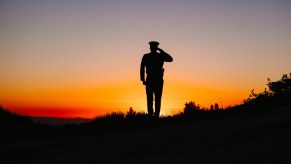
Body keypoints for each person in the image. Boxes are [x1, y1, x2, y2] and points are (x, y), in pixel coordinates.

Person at [140, 41, 173, 118]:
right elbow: (142, 68)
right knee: (150, 98)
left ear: (156, 47)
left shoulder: (160, 56)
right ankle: (151, 115)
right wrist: (143, 79)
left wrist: (161, 51)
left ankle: (156, 116)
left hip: (157, 79)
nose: (152, 48)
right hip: (151, 79)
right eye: (151, 46)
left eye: (153, 47)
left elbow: (170, 59)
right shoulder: (146, 56)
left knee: (157, 98)